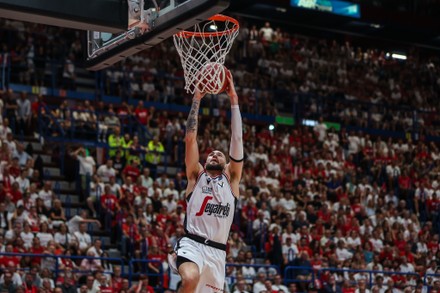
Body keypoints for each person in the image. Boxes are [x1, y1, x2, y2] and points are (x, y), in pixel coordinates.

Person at [168, 72, 243, 293]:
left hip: (218, 255)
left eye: (219, 154)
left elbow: (236, 140)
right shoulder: (195, 175)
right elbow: (190, 137)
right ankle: (179, 258)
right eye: (211, 154)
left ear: (226, 162)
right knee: (190, 278)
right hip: (193, 244)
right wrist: (197, 98)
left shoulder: (232, 180)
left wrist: (234, 100)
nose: (213, 154)